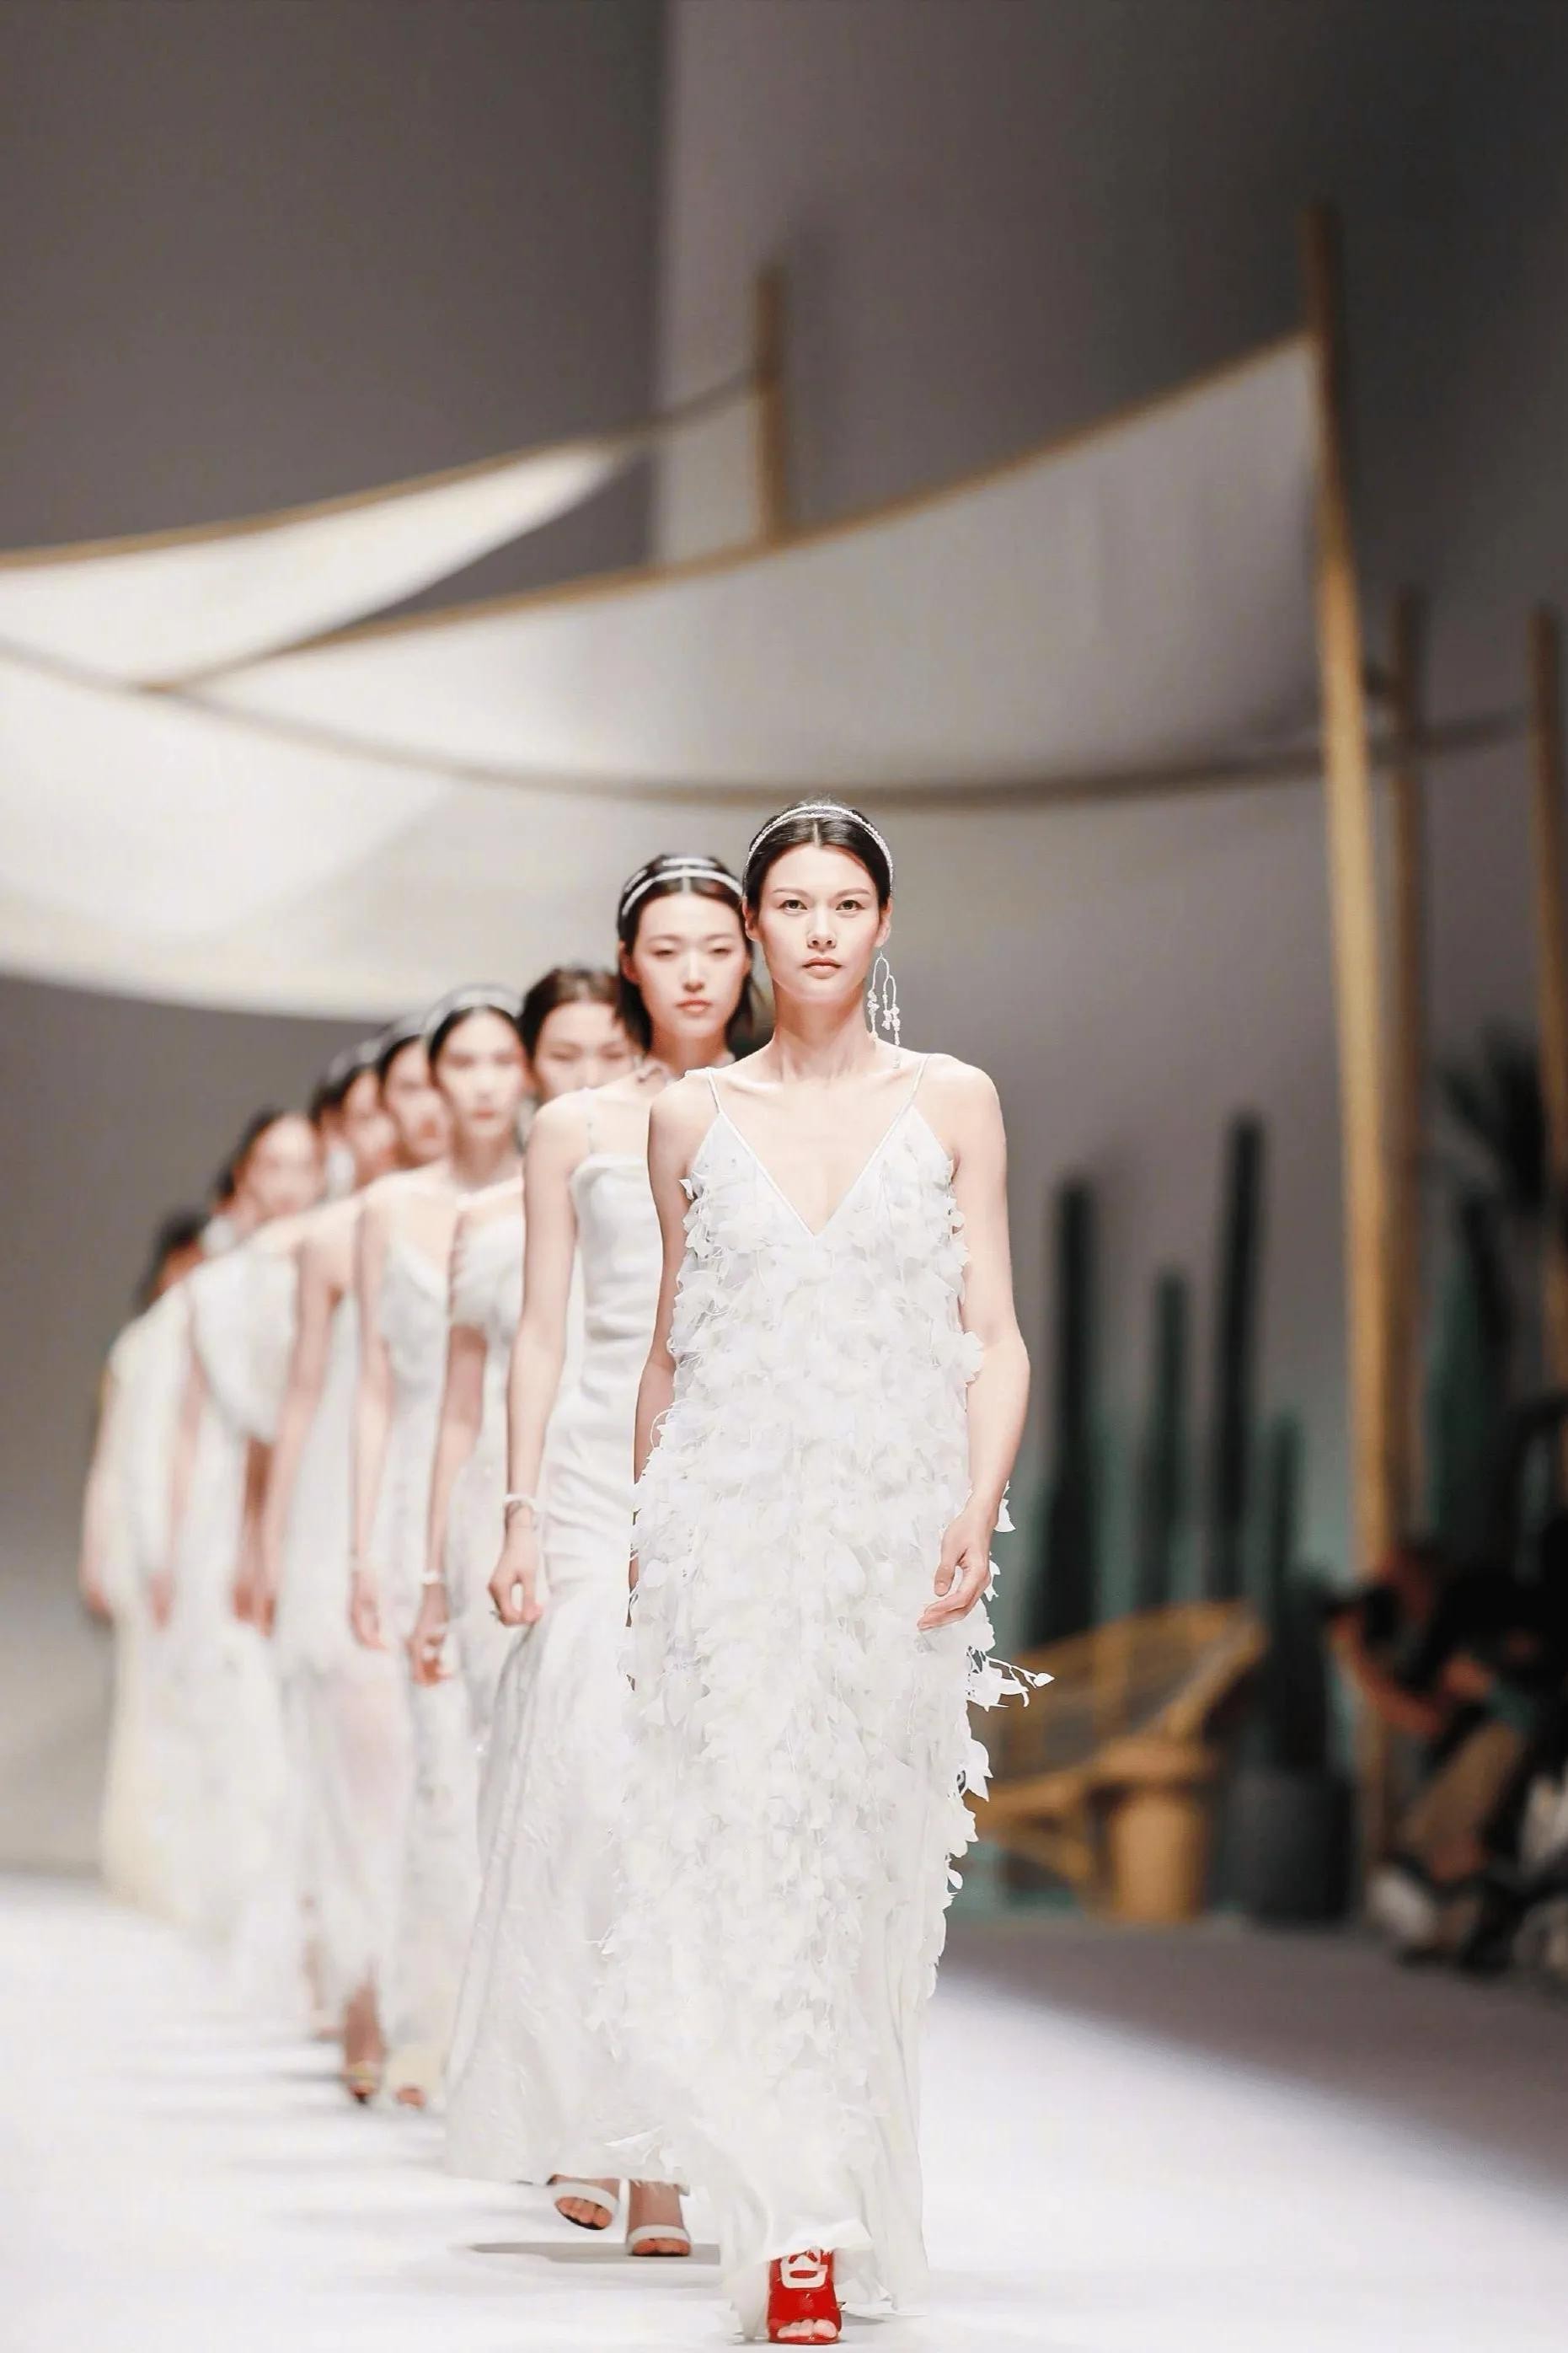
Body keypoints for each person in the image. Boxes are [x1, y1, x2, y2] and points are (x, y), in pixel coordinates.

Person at [612, 802, 1031, 2343]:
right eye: (790, 904)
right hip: (726, 1534)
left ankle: (833, 2185)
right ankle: (794, 2230)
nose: (818, 931)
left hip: (889, 1541)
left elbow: (994, 1334)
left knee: (855, 1872)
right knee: (748, 1857)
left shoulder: (954, 1101)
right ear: (755, 927)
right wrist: (646, 1547)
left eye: (845, 903)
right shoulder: (689, 1118)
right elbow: (673, 1349)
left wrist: (976, 1501)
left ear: (883, 922)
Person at [447, 856, 756, 2256]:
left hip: (727, 1463)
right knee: (586, 1786)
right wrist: (518, 1511)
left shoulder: (777, 1112)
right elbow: (542, 1330)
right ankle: (593, 2126)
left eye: (715, 946)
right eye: (665, 948)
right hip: (586, 1477)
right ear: (628, 963)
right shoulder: (573, 1125)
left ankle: (670, 2152)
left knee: (699, 1802)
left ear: (747, 958)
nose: (692, 971)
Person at [349, 990, 527, 2106]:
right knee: (437, 1755)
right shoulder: (388, 1208)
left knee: (517, 1756)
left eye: (503, 1059)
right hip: (423, 1475)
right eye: (461, 1062)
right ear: (431, 1079)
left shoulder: (555, 1186)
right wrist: (364, 1540)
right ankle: (432, 2018)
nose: (483, 1082)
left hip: (526, 1472)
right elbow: (374, 1384)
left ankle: (507, 2030)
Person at [411, 967, 632, 1745]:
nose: (588, 1074)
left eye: (610, 1052)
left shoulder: (660, 1187)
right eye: (564, 1055)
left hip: (618, 1482)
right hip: (507, 1496)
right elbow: (459, 1410)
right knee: (503, 1738)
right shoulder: (486, 1222)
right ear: (531, 1065)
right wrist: (431, 1576)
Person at [156, 1111, 324, 1947]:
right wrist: (178, 1536)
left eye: (304, 1164)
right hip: (234, 1509)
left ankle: (308, 1909)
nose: (289, 1183)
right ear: (246, 1175)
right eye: (273, 1165)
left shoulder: (333, 1259)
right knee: (242, 1699)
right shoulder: (217, 1287)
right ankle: (255, 1900)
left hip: (317, 1493)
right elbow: (194, 1422)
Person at [78, 1210, 207, 1914]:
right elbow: (112, 1457)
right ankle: (139, 1856)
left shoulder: (197, 1338)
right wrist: (96, 1548)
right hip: (138, 1528)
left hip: (191, 1528)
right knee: (143, 1695)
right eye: (181, 1262)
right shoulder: (137, 1347)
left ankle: (176, 1856)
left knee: (185, 1696)